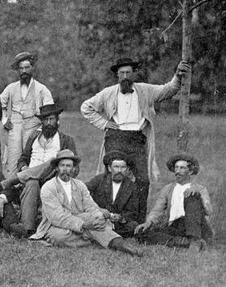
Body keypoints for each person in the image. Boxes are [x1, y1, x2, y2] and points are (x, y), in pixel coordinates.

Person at [81, 58, 192, 216]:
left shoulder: (145, 90)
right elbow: (86, 107)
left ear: (134, 74)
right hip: (115, 138)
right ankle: (106, 217)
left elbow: (169, 89)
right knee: (110, 178)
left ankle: (138, 222)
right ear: (117, 76)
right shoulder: (108, 93)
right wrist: (104, 124)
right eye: (122, 73)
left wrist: (177, 75)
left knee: (143, 181)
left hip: (136, 140)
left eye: (128, 72)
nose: (125, 76)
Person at [30, 150, 143, 256]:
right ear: (56, 168)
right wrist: (83, 225)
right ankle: (94, 238)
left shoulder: (79, 185)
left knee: (100, 223)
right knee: (59, 237)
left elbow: (90, 206)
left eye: (68, 166)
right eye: (62, 165)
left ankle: (120, 245)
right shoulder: (48, 187)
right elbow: (56, 217)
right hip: (56, 225)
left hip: (82, 219)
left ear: (74, 168)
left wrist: (98, 217)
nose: (65, 169)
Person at [0, 104, 77, 235]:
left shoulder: (66, 140)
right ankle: (27, 228)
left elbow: (74, 168)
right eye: (45, 120)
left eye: (51, 119)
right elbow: (23, 158)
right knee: (32, 181)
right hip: (31, 179)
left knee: (54, 161)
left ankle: (15, 179)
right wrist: (24, 167)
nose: (48, 123)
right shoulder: (33, 137)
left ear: (57, 120)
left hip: (53, 179)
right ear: (41, 121)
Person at [135, 154, 213, 251]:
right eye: (176, 168)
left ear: (191, 171)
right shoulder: (167, 189)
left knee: (192, 196)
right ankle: (184, 242)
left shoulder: (200, 188)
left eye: (182, 168)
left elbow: (208, 210)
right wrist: (148, 222)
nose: (177, 171)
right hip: (175, 226)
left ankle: (194, 239)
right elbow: (157, 210)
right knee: (142, 233)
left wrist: (197, 195)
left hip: (195, 226)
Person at [0, 51, 54, 177]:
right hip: (15, 127)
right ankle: (11, 191)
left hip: (34, 127)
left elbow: (50, 112)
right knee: (13, 160)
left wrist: (42, 128)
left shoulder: (42, 89)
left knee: (31, 159)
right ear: (18, 71)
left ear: (32, 68)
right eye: (21, 68)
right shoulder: (11, 88)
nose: (24, 71)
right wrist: (4, 119)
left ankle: (29, 188)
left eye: (27, 68)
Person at [85, 151, 141, 237]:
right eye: (116, 167)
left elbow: (132, 211)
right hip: (98, 216)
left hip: (118, 223)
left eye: (123, 167)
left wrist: (121, 217)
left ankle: (106, 232)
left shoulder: (131, 187)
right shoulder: (99, 180)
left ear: (126, 169)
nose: (119, 171)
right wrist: (98, 209)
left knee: (134, 226)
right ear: (109, 168)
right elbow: (84, 194)